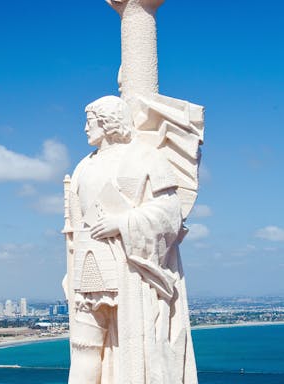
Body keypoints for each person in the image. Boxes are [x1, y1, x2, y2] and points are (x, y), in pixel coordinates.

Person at [63, 95, 197, 384]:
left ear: (108, 122)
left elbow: (169, 213)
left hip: (128, 268)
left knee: (133, 345)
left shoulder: (144, 156)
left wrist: (121, 222)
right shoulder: (82, 166)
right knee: (83, 345)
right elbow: (75, 225)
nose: (85, 129)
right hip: (88, 266)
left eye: (89, 122)